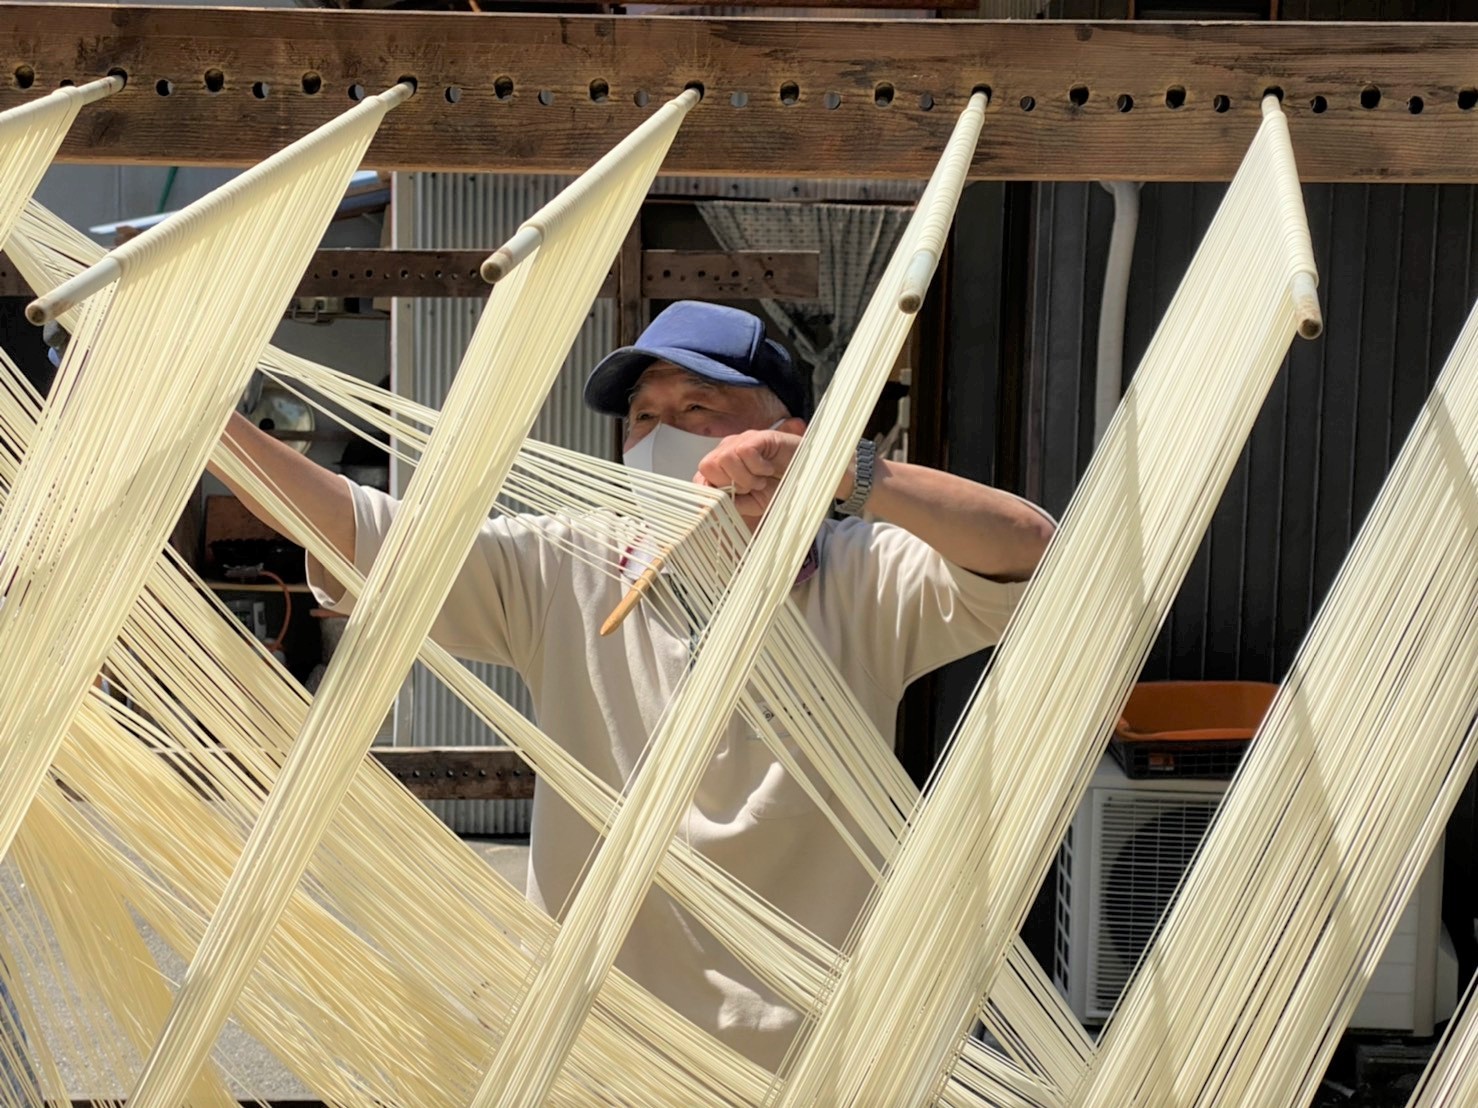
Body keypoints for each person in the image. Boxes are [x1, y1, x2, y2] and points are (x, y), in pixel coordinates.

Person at [212, 300, 1054, 1069]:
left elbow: (1034, 550)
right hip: (598, 1043)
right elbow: (368, 536)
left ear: (788, 432)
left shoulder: (861, 577)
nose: (659, 434)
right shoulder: (566, 567)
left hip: (817, 1053)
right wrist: (208, 415)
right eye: (641, 417)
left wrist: (850, 474)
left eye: (696, 409)